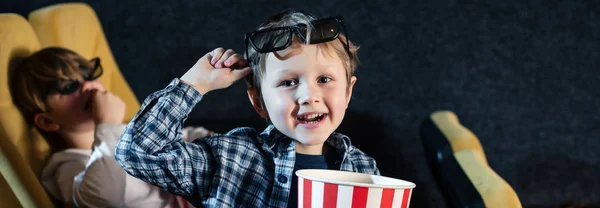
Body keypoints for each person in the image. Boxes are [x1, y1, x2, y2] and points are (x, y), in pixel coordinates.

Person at [115, 10, 379, 207]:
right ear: (258, 101)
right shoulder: (229, 159)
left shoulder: (364, 170)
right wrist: (195, 84)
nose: (308, 96)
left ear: (347, 92)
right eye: (288, 82)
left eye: (324, 79)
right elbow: (138, 152)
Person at [9, 47, 210, 207]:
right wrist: (106, 124)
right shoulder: (64, 167)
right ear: (47, 121)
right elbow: (106, 196)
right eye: (67, 87)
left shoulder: (123, 133)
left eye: (88, 75)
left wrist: (208, 138)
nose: (88, 86)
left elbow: (176, 136)